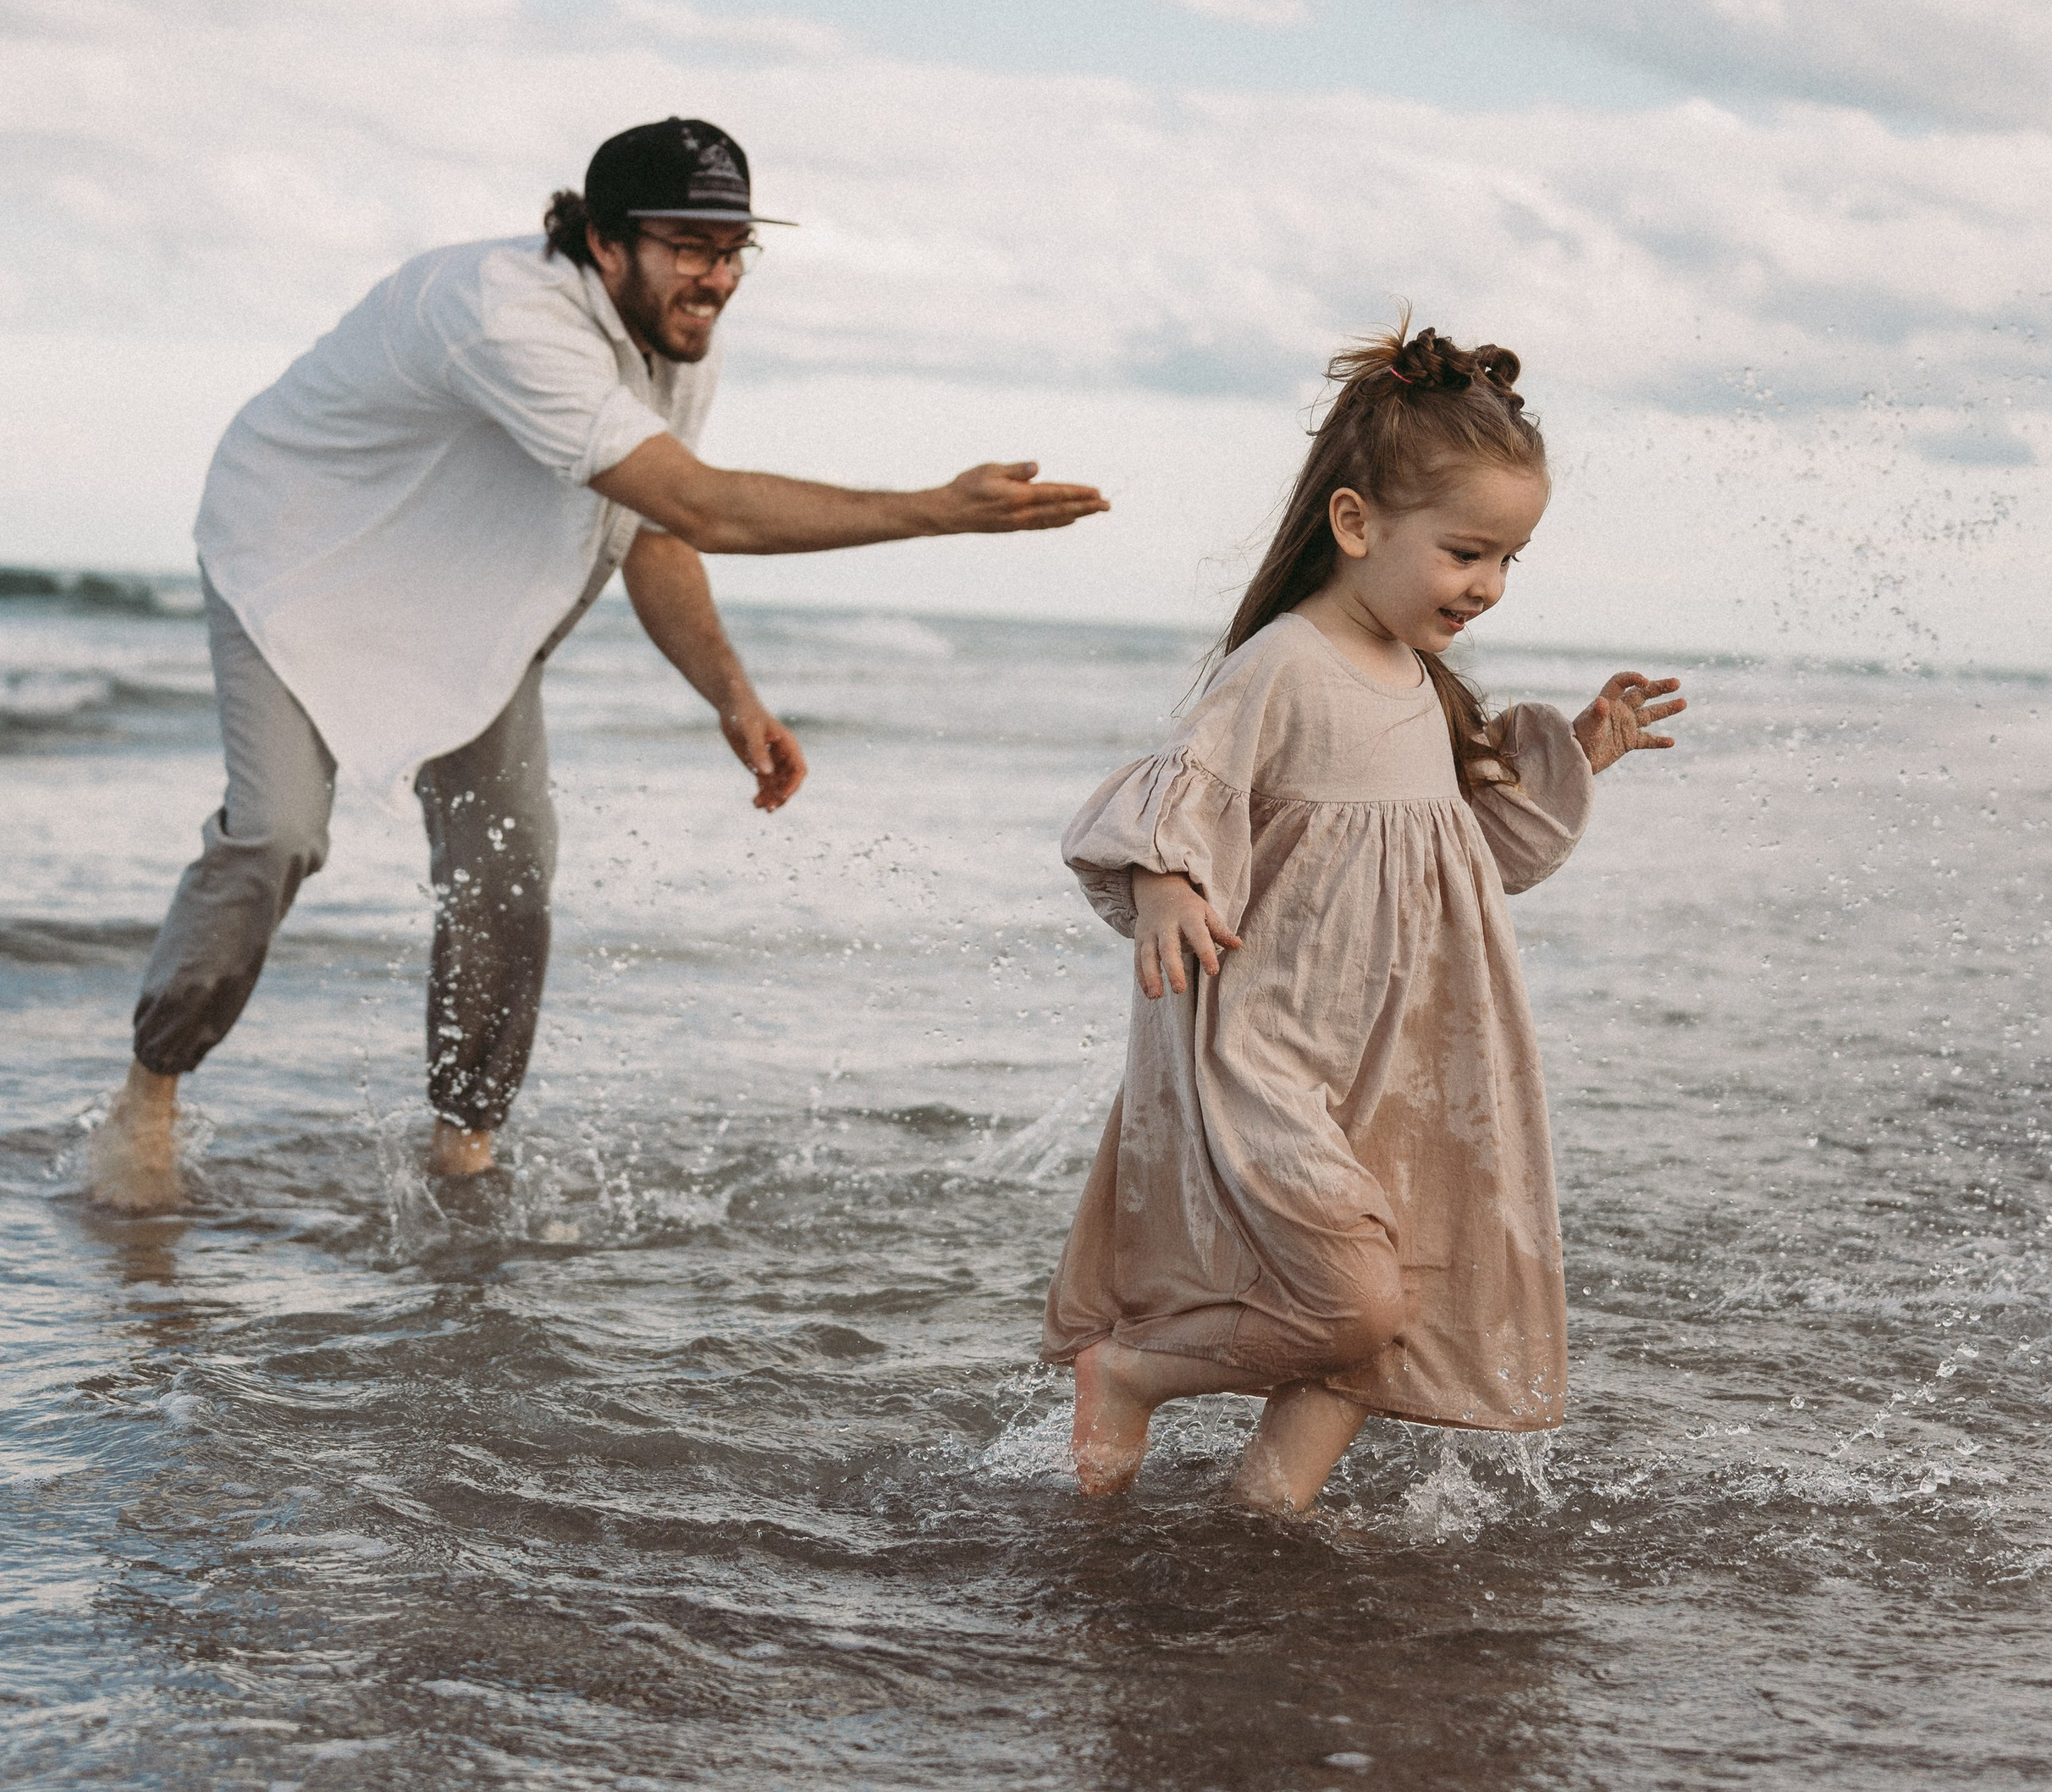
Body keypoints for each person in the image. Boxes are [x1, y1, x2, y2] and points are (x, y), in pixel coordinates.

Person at [89, 115, 1107, 1212]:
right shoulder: (504, 315)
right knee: (277, 834)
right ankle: (151, 1093)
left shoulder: (671, 349)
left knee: (509, 868)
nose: (717, 278)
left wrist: (731, 695)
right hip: (299, 565)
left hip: (470, 602)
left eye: (734, 250)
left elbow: (653, 534)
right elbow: (701, 507)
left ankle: (463, 1149)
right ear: (605, 242)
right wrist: (936, 510)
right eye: (690, 247)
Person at [1041, 319, 1684, 1514]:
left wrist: (1585, 750)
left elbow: (1471, 859)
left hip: (1398, 1061)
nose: (1487, 587)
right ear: (1355, 524)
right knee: (1352, 1301)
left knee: (1401, 1301)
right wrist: (1166, 882)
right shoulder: (1284, 664)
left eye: (1509, 560)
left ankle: (1266, 1514)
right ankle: (1130, 1375)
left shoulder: (1423, 686)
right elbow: (1175, 796)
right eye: (1465, 553)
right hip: (1275, 1050)